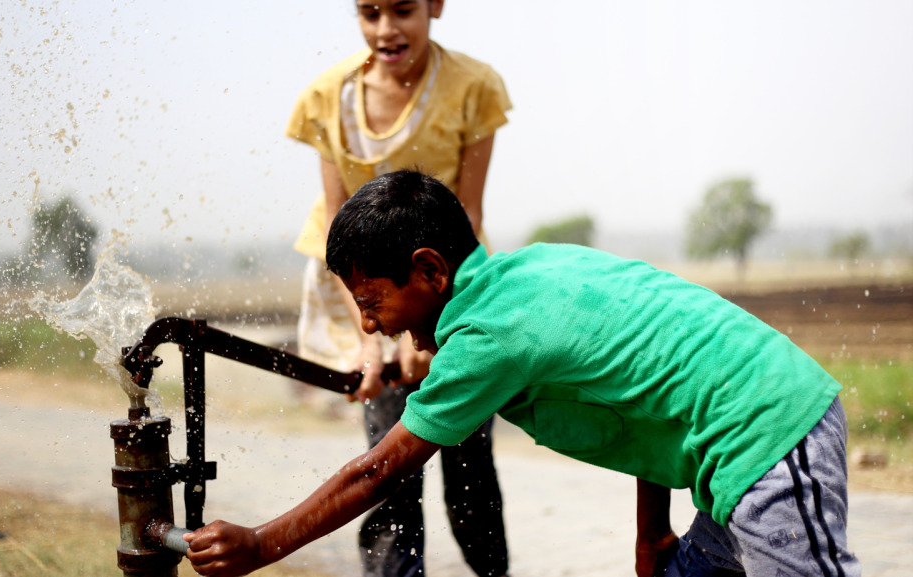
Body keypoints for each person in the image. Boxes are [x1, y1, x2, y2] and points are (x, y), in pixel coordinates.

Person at [185, 170, 862, 577]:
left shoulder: (483, 337)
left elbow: (377, 470)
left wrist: (259, 542)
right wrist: (651, 533)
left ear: (429, 270)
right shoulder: (531, 270)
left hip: (768, 439)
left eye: (372, 302)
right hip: (746, 445)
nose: (370, 326)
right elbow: (644, 389)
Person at [284, 1, 512, 576]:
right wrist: (374, 344)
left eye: (404, 9)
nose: (388, 27)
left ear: (435, 6)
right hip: (361, 293)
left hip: (446, 283)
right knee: (390, 464)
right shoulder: (328, 97)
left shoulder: (473, 86)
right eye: (370, 12)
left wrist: (432, 330)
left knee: (468, 461)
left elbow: (470, 216)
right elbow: (339, 231)